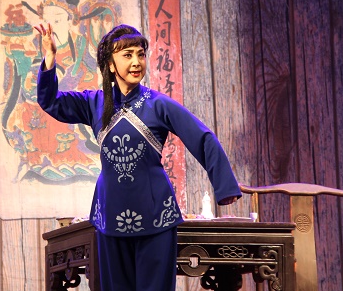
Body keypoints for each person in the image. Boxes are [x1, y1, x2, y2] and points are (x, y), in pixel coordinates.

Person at [34, 22, 241, 291]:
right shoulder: (94, 103)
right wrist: (50, 59)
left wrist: (225, 187)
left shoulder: (158, 104)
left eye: (140, 55)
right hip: (110, 216)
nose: (136, 62)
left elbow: (202, 137)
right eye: (127, 55)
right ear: (111, 65)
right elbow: (51, 102)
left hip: (156, 216)